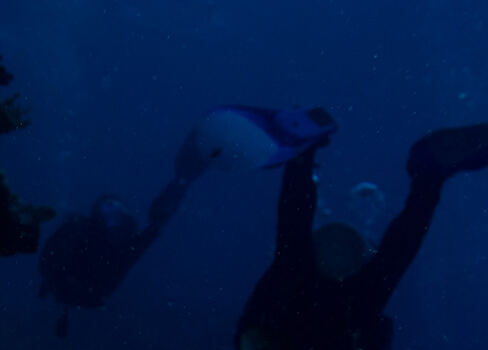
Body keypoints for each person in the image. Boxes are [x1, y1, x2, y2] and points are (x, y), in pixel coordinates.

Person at [235, 122, 488, 350]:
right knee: (298, 242)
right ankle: (306, 156)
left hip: (331, 310)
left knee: (387, 258)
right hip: (325, 308)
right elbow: (254, 328)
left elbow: (254, 331)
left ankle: (426, 177)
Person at [38, 106, 339, 335]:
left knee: (169, 201)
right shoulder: (81, 234)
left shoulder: (125, 245)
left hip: (91, 291)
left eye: (117, 208)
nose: (115, 214)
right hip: (76, 289)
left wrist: (184, 181)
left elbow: (153, 230)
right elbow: (146, 234)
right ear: (96, 215)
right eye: (108, 210)